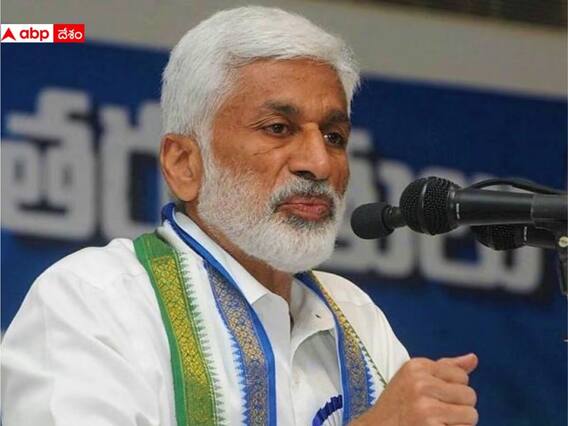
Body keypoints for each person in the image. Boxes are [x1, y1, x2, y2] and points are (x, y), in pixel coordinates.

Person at [1, 6, 479, 426]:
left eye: (334, 136)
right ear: (184, 164)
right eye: (278, 128)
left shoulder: (356, 317)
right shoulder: (97, 300)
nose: (318, 163)